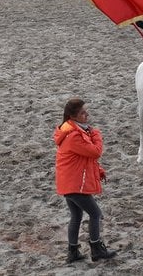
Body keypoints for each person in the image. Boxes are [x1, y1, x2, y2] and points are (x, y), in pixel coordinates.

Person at [54, 98, 117, 263]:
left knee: (76, 215)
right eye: (83, 112)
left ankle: (73, 251)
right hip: (75, 184)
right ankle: (96, 249)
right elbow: (95, 152)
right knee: (95, 214)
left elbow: (83, 158)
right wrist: (96, 134)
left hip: (67, 182)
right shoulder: (74, 136)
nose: (86, 114)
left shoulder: (74, 131)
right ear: (72, 116)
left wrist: (98, 170)